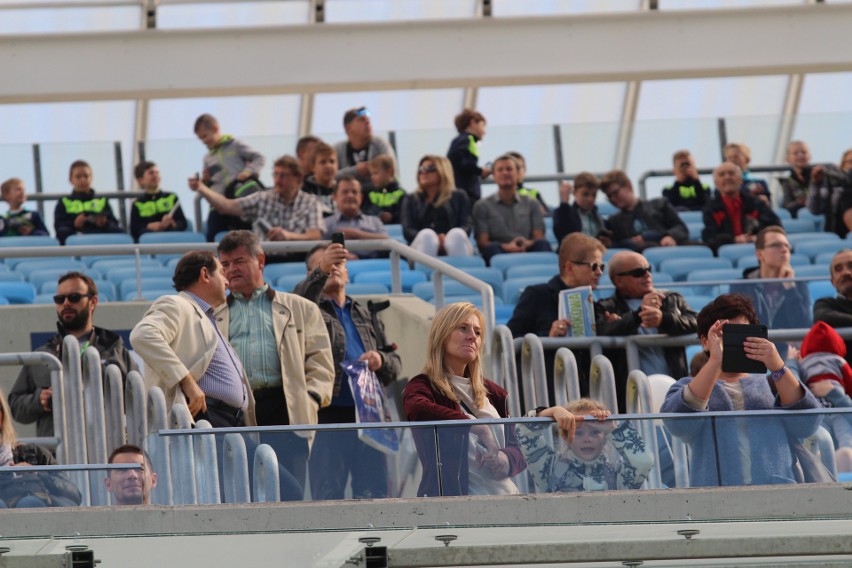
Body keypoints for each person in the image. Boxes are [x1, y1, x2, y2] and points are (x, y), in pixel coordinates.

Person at [660, 293, 820, 487]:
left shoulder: (772, 383)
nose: (731, 341)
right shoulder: (687, 385)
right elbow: (679, 425)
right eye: (722, 334)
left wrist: (778, 366)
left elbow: (808, 423)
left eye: (743, 333)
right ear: (704, 341)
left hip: (776, 494)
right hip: (715, 497)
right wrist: (715, 361)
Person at [216, 230, 334, 491]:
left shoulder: (301, 308)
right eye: (224, 264)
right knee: (242, 497)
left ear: (260, 261)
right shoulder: (212, 315)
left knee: (291, 495)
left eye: (238, 262)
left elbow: (321, 363)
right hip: (237, 416)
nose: (231, 270)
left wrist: (311, 399)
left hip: (288, 413)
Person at [294, 244, 402, 500]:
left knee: (375, 494)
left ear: (348, 272)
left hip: (369, 415)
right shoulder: (306, 311)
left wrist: (380, 360)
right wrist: (320, 272)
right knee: (328, 495)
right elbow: (298, 300)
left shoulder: (366, 312)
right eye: (322, 265)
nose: (331, 268)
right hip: (328, 415)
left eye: (337, 263)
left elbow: (395, 364)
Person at [403, 302, 527, 497]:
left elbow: (518, 448)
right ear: (442, 335)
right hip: (456, 505)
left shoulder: (494, 392)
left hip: (507, 498)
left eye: (478, 333)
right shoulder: (423, 386)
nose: (472, 337)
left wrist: (505, 460)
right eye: (463, 328)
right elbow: (418, 409)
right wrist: (477, 426)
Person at [130, 250, 253, 427]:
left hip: (231, 420)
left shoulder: (208, 317)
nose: (227, 281)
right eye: (221, 272)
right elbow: (143, 335)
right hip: (204, 416)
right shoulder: (176, 304)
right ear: (204, 274)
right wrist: (186, 380)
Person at [8, 272, 136, 438]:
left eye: (74, 297)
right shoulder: (43, 354)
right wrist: (40, 400)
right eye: (60, 299)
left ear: (93, 302)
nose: (66, 303)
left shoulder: (115, 350)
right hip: (57, 457)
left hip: (106, 452)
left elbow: (137, 399)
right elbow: (16, 406)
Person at [596, 251, 698, 412]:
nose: (647, 275)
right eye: (638, 272)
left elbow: (697, 322)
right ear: (618, 280)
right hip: (628, 396)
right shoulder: (606, 306)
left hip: (674, 388)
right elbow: (600, 333)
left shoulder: (671, 299)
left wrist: (664, 319)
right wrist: (637, 316)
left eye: (648, 269)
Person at [507, 233, 605, 397]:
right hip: (547, 395)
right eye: (594, 266)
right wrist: (547, 337)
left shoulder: (593, 304)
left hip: (585, 395)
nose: (600, 273)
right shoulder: (537, 295)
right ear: (569, 268)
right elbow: (511, 341)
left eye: (603, 267)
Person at [190, 155, 324, 260]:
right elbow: (227, 206)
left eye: (283, 175)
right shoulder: (262, 198)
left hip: (298, 259)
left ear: (297, 177)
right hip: (264, 259)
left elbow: (315, 235)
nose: (277, 180)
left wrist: (288, 236)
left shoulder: (311, 202)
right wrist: (201, 188)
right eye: (275, 174)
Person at [515, 398, 653, 493]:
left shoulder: (617, 475)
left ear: (605, 438)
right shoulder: (550, 468)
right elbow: (522, 431)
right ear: (565, 437)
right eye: (578, 433)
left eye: (595, 432)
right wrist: (551, 412)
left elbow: (644, 462)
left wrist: (612, 429)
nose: (587, 439)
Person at [0, 389, 82, 508]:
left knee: (29, 503)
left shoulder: (33, 452)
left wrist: (37, 473)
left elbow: (74, 494)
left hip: (38, 520)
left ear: (2, 416)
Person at [192, 113, 266, 241]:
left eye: (205, 136)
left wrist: (248, 171)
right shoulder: (208, 157)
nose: (204, 141)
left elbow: (259, 158)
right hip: (217, 203)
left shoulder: (236, 145)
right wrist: (205, 180)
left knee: (245, 236)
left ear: (215, 129)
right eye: (200, 139)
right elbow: (209, 183)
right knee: (213, 236)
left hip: (237, 200)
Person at [472, 154, 550, 264]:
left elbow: (539, 236)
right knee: (491, 249)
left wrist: (525, 244)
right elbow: (482, 242)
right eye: (500, 170)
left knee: (543, 245)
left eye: (509, 169)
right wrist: (508, 247)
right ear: (494, 176)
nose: (505, 173)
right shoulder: (482, 206)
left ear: (518, 174)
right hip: (500, 251)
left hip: (527, 248)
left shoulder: (532, 203)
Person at [729, 226, 811, 331]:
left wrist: (790, 289)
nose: (784, 249)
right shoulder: (741, 286)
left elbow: (803, 326)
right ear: (759, 254)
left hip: (790, 348)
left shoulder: (798, 286)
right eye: (776, 245)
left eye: (787, 246)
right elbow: (739, 327)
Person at [797, 321, 852, 472]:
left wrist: (792, 361)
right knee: (845, 433)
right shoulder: (839, 361)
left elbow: (798, 386)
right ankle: (846, 452)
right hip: (838, 409)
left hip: (818, 409)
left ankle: (820, 456)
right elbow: (850, 381)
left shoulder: (803, 363)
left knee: (821, 433)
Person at [400, 155, 473, 257]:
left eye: (430, 168)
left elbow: (466, 226)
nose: (423, 172)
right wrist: (436, 240)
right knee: (427, 235)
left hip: (453, 243)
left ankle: (458, 272)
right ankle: (425, 271)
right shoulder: (410, 198)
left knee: (457, 234)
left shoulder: (459, 196)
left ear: (443, 171)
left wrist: (446, 239)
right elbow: (408, 231)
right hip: (421, 245)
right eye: (421, 169)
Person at [600, 169, 689, 251]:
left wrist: (670, 236)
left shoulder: (659, 205)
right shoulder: (613, 221)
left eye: (615, 193)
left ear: (628, 186)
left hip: (666, 249)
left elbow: (680, 228)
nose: (613, 199)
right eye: (609, 196)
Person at [701, 161, 780, 252]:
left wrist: (759, 237)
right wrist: (734, 240)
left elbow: (775, 226)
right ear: (716, 183)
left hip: (759, 249)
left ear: (740, 179)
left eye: (731, 173)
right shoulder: (710, 209)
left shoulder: (757, 203)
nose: (727, 177)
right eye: (722, 175)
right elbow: (710, 237)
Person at [54, 160, 123, 245]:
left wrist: (105, 223)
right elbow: (59, 229)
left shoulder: (102, 200)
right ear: (70, 180)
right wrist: (75, 225)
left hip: (101, 242)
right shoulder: (64, 202)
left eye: (86, 176)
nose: (83, 180)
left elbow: (115, 225)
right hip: (75, 245)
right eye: (78, 177)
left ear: (92, 177)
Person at [322, 176, 388, 259]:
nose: (350, 195)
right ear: (334, 197)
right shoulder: (325, 224)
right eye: (345, 192)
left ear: (361, 197)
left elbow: (387, 242)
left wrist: (356, 234)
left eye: (354, 192)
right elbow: (319, 251)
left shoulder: (374, 221)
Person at [334, 106, 396, 193]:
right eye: (361, 119)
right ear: (348, 128)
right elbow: (330, 177)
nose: (367, 122)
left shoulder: (380, 144)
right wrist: (356, 171)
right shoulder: (338, 149)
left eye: (368, 119)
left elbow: (391, 170)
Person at [129, 161, 187, 241]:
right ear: (140, 180)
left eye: (157, 172)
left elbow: (183, 223)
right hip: (150, 245)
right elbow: (135, 230)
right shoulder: (137, 204)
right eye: (151, 173)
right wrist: (149, 227)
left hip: (172, 241)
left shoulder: (172, 197)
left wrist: (172, 224)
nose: (156, 175)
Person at [813, 249, 852, 365]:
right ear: (833, 281)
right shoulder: (826, 303)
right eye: (838, 269)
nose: (846, 272)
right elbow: (823, 318)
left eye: (851, 266)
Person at [551, 172, 612, 246]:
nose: (590, 199)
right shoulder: (564, 213)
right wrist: (564, 202)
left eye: (594, 195)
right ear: (574, 192)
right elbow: (562, 234)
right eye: (585, 194)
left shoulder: (599, 219)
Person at [805, 148, 852, 237]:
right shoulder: (833, 185)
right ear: (843, 165)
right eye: (850, 162)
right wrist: (816, 185)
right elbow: (815, 210)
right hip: (836, 235)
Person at [446, 108, 490, 203]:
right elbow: (458, 160)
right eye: (483, 125)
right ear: (473, 122)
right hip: (466, 193)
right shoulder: (466, 139)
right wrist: (480, 171)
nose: (484, 132)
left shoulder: (463, 140)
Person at [364, 154, 405, 224]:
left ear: (389, 172)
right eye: (371, 174)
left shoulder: (401, 194)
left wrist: (392, 216)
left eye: (375, 173)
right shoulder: (370, 195)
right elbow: (366, 213)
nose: (372, 177)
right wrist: (379, 214)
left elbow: (405, 216)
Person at [780, 140, 817, 218]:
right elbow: (786, 205)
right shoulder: (787, 182)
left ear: (810, 156)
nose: (800, 155)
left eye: (804, 152)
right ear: (788, 159)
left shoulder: (818, 175)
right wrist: (798, 202)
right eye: (795, 153)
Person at [301, 141, 338, 217]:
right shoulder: (304, 190)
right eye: (323, 162)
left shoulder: (341, 189)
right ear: (313, 167)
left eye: (332, 161)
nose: (328, 166)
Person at [507, 151, 549, 215]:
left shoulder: (534, 193)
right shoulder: (498, 198)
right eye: (511, 168)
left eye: (519, 167)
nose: (516, 171)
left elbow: (546, 215)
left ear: (525, 170)